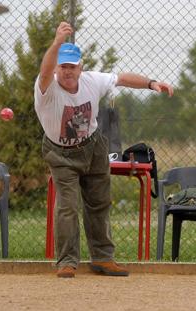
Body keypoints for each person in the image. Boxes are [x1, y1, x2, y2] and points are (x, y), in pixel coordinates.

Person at [35, 22, 173, 278]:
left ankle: (102, 258)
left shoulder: (91, 81)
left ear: (80, 67)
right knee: (67, 205)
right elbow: (44, 71)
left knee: (99, 203)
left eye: (72, 66)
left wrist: (152, 83)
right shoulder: (47, 88)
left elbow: (121, 78)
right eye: (63, 66)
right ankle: (67, 261)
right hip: (60, 153)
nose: (67, 71)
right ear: (57, 68)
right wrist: (56, 43)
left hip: (93, 146)